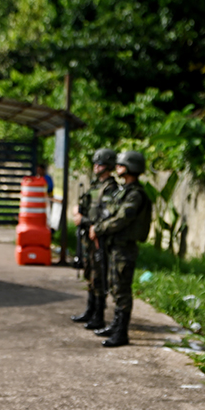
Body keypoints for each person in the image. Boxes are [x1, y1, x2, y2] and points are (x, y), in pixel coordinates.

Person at [90, 150, 152, 347]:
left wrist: (98, 228)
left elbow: (121, 219)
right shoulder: (124, 190)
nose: (116, 167)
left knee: (122, 290)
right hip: (114, 246)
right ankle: (115, 325)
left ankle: (121, 333)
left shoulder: (135, 194)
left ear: (130, 166)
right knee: (114, 287)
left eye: (120, 164)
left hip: (124, 249)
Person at [71, 148, 120, 330]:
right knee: (90, 274)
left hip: (99, 239)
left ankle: (98, 315)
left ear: (107, 166)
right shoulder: (94, 187)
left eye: (99, 164)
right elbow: (84, 205)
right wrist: (78, 211)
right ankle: (90, 310)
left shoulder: (111, 189)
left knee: (99, 276)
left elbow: (105, 217)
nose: (95, 167)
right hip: (88, 238)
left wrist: (83, 219)